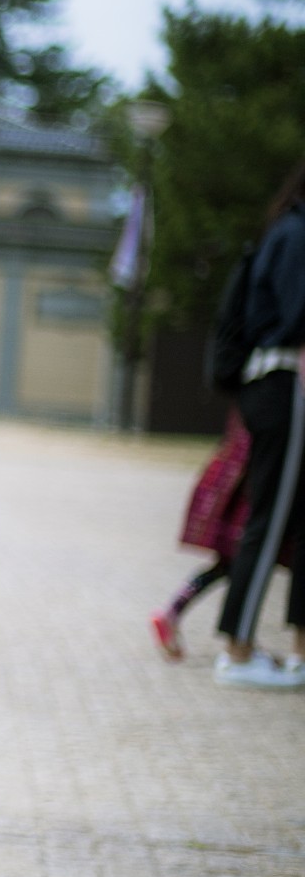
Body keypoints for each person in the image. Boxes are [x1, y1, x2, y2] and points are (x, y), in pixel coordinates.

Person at [209, 163, 305, 689]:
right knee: (267, 522)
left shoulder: (288, 229)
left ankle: (298, 652)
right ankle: (239, 650)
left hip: (288, 386)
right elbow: (294, 316)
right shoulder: (296, 233)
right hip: (284, 384)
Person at [149, 410, 292, 661]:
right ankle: (236, 637)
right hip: (249, 500)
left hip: (238, 493)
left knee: (231, 567)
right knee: (240, 566)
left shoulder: (247, 407)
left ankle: (174, 614)